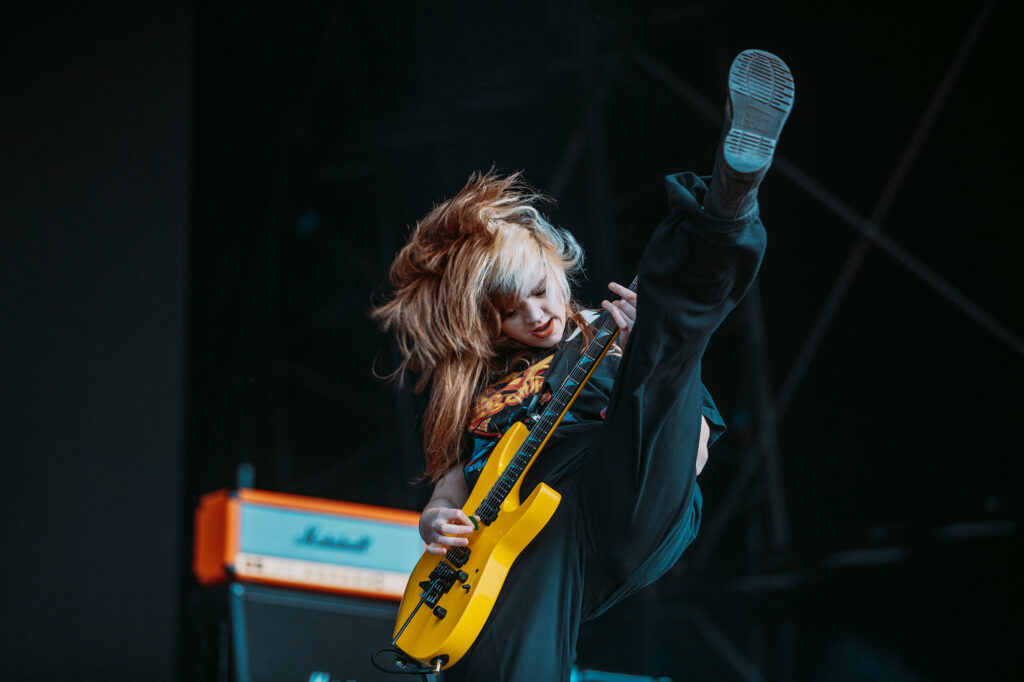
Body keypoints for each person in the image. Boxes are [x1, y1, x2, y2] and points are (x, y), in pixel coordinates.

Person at [372, 49, 794, 681]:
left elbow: (691, 447)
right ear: (491, 323)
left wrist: (640, 359)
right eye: (514, 313)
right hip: (527, 536)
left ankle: (729, 201)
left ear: (561, 265)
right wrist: (436, 519)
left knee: (663, 339)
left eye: (544, 290)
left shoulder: (611, 336)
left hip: (622, 494)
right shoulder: (479, 384)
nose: (539, 316)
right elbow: (451, 486)